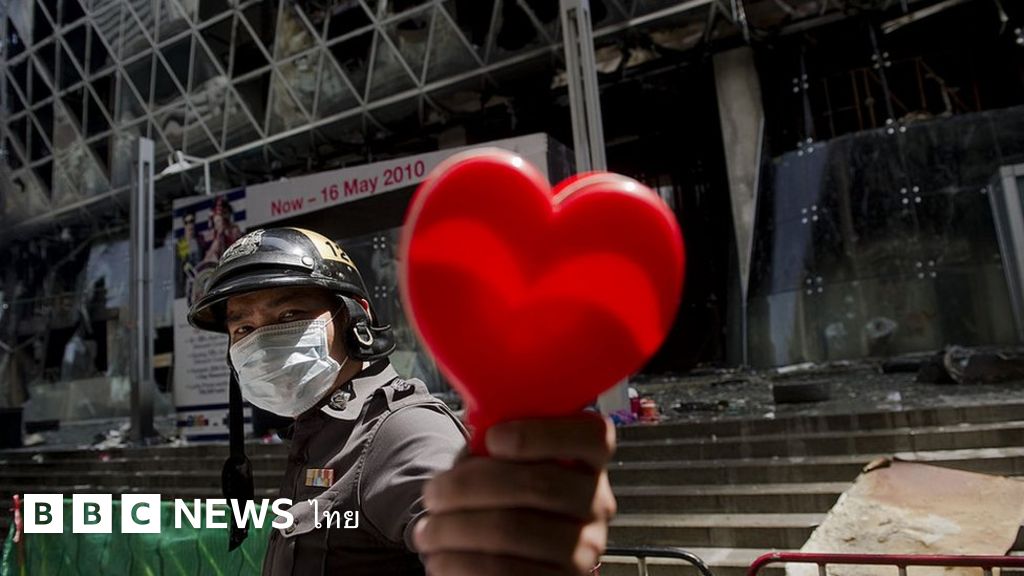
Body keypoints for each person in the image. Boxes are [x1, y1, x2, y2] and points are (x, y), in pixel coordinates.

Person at [188, 227, 616, 576]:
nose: (262, 342)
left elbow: (470, 539)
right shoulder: (320, 431)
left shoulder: (401, 430)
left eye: (289, 316)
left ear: (354, 319)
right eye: (243, 329)